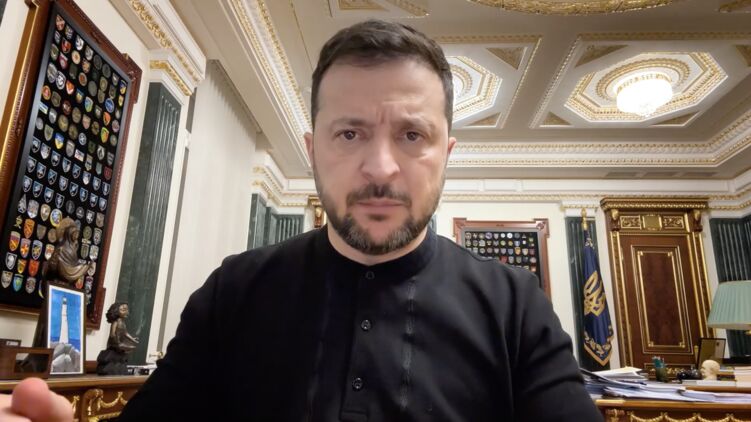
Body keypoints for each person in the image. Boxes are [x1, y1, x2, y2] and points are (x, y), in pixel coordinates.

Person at [4, 19, 602, 421]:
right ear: (313, 150)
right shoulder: (233, 292)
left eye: (412, 135)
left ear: (446, 154)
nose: (380, 167)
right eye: (350, 133)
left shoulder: (516, 306)